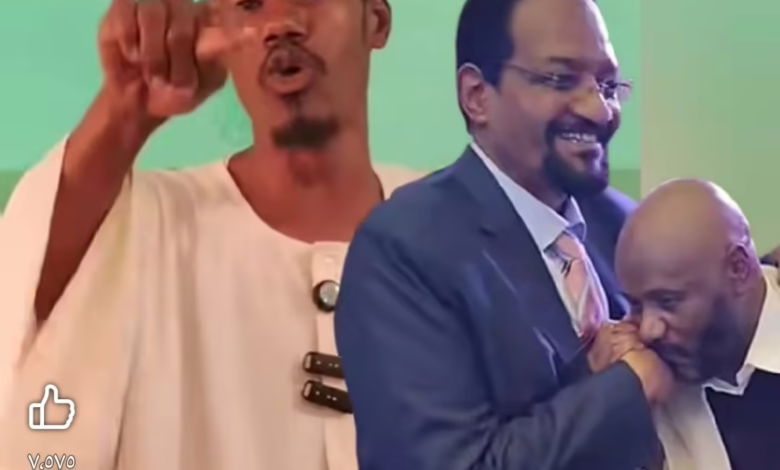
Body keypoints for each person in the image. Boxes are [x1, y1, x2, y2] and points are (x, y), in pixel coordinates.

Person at [0, 0, 416, 469]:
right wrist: (125, 110)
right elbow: (21, 295)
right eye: (249, 5)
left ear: (376, 20)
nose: (280, 23)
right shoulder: (144, 225)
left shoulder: (461, 236)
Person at [334, 0, 675, 468]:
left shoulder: (628, 227)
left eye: (607, 85)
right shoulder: (403, 249)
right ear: (477, 95)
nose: (599, 110)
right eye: (561, 80)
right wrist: (624, 386)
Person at [614, 179, 780, 470]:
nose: (648, 330)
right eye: (637, 305)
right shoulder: (639, 380)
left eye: (668, 301)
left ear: (738, 269)